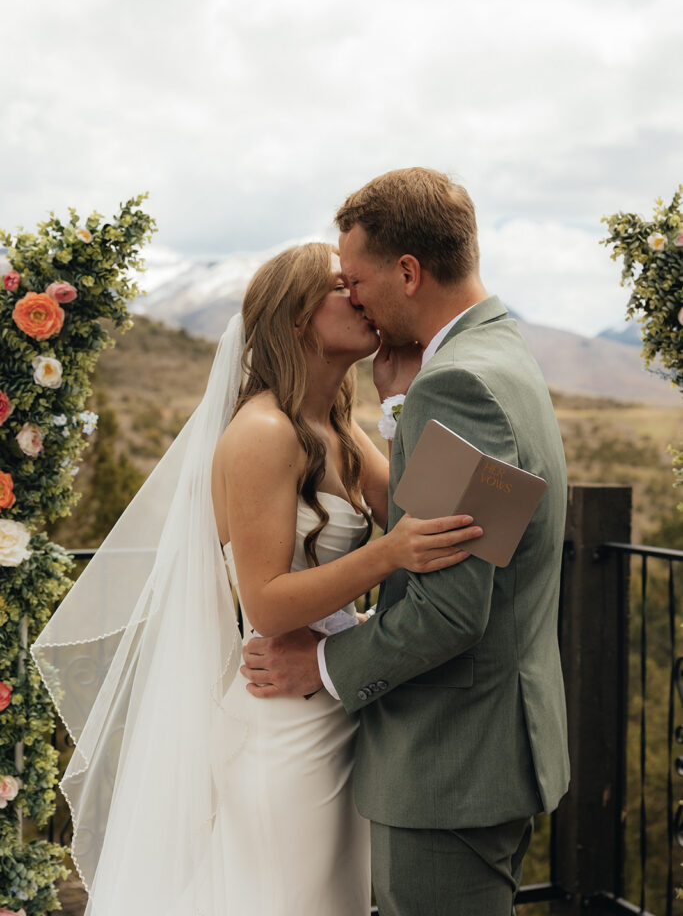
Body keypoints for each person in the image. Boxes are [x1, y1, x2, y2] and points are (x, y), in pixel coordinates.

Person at [31, 239, 480, 916]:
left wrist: (398, 404)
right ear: (297, 317)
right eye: (341, 286)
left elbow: (419, 511)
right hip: (284, 726)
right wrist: (387, 558)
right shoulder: (263, 432)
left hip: (335, 700)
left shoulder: (334, 426)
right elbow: (268, 605)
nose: (360, 294)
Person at [242, 168, 571, 916]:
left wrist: (321, 662)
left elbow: (452, 609)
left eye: (355, 280)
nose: (353, 296)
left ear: (408, 272)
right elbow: (469, 535)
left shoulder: (454, 385)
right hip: (489, 744)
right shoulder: (500, 356)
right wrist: (397, 406)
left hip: (447, 760)